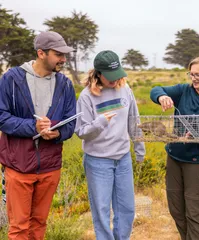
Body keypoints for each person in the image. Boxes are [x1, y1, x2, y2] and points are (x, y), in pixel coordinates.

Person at [0, 31, 76, 239]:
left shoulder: (65, 84)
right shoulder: (11, 79)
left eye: (64, 54)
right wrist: (32, 127)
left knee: (39, 224)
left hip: (50, 167)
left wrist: (58, 132)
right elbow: (1, 116)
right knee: (19, 228)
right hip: (18, 165)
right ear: (41, 53)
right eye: (58, 54)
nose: (63, 59)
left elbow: (72, 121)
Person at [150, 56, 199, 240]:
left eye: (198, 74)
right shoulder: (183, 91)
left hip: (197, 163)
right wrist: (162, 96)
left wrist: (198, 135)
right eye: (191, 74)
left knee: (195, 213)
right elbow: (155, 90)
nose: (194, 78)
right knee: (176, 209)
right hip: (175, 158)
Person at [75, 50, 145, 240]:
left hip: (122, 159)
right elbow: (81, 132)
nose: (115, 80)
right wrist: (100, 123)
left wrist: (139, 149)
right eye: (110, 77)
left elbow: (134, 120)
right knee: (102, 211)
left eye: (117, 75)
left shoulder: (125, 89)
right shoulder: (86, 96)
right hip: (98, 162)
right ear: (98, 73)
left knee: (127, 208)